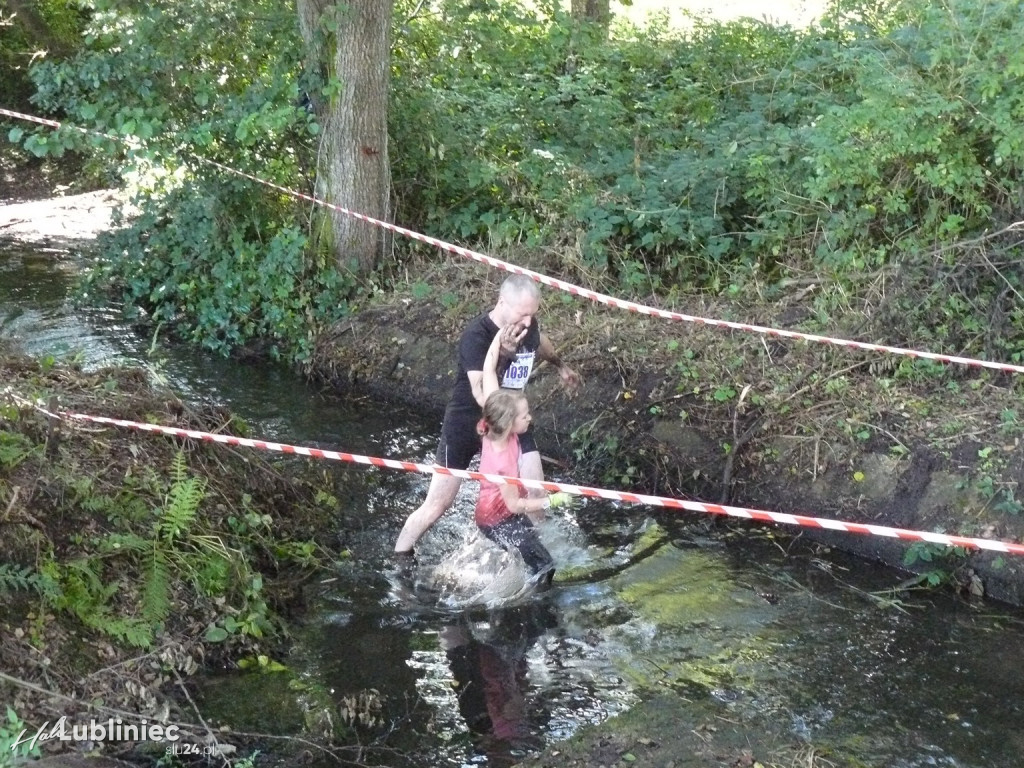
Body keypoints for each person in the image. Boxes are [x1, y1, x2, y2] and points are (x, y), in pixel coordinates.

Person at [393, 273, 580, 558]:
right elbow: (483, 395)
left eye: (533, 315)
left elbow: (539, 340)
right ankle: (399, 557)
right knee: (437, 506)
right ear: (502, 302)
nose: (527, 322)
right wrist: (502, 354)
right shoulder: (477, 336)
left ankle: (535, 559)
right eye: (522, 314)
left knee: (536, 494)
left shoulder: (526, 325)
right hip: (468, 423)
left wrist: (560, 365)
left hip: (514, 424)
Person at [473, 329, 572, 583]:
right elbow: (515, 505)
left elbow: (488, 370)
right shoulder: (503, 461)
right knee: (545, 565)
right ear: (509, 423)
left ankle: (511, 577)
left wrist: (497, 339)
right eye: (524, 415)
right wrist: (552, 502)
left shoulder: (494, 420)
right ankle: (534, 610)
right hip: (497, 521)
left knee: (529, 552)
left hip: (501, 516)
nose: (530, 418)